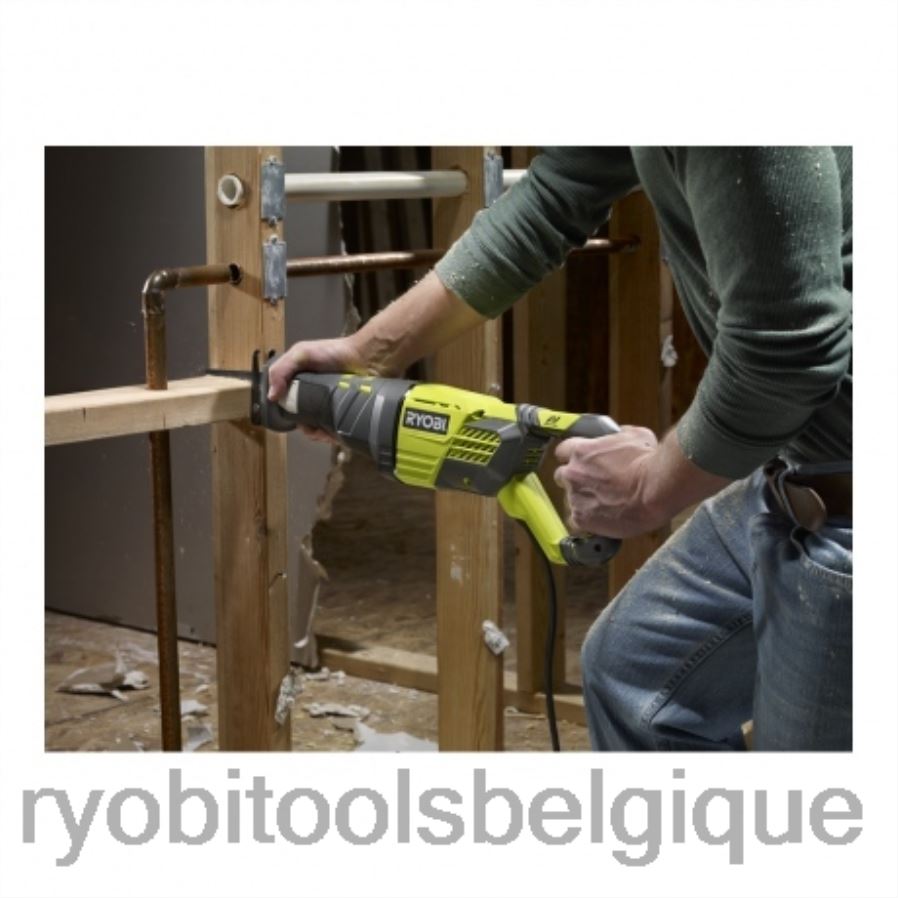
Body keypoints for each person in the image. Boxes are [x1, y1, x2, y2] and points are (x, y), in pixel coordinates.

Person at [268, 148, 853, 751]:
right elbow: (556, 194)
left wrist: (648, 487)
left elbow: (787, 352)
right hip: (794, 470)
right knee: (636, 676)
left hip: (851, 495)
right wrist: (369, 352)